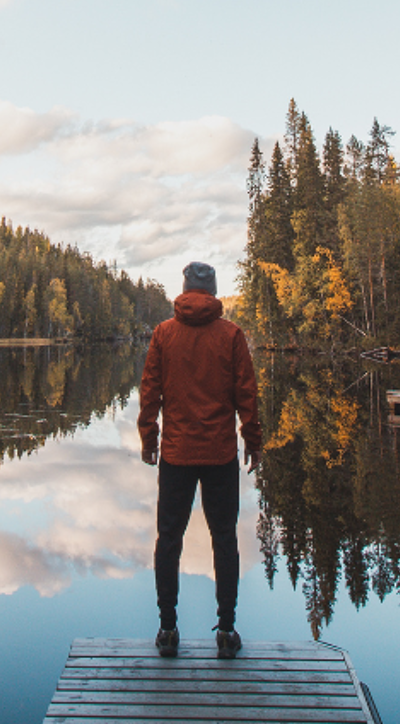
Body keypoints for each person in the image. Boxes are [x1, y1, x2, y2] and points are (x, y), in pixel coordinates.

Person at [138, 261, 260, 659]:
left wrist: (148, 438)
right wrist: (253, 440)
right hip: (220, 453)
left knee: (168, 539)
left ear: (186, 289)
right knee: (224, 539)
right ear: (212, 292)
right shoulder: (231, 335)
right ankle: (226, 631)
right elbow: (247, 394)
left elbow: (149, 391)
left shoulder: (164, 334)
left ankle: (168, 629)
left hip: (175, 454)